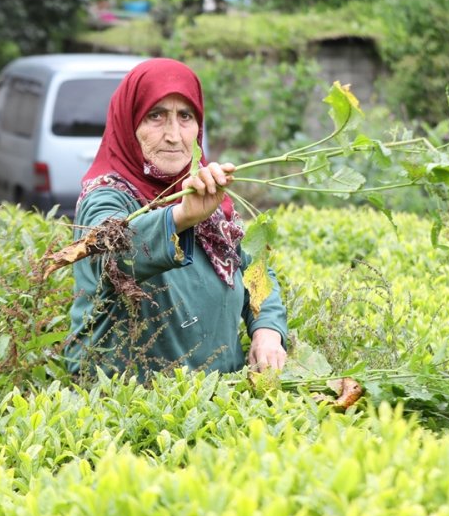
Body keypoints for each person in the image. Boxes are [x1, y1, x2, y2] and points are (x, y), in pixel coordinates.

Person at [65, 58, 287, 379]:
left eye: (185, 117)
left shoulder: (207, 196)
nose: (173, 134)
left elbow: (254, 271)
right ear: (129, 124)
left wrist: (267, 329)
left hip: (220, 403)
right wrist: (180, 216)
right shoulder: (107, 196)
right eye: (156, 116)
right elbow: (110, 257)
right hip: (135, 408)